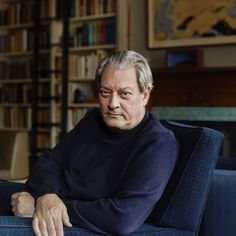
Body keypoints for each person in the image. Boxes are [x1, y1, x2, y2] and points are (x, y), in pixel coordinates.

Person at [10, 50, 179, 236]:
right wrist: (47, 196)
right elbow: (50, 160)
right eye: (105, 92)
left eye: (124, 94)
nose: (113, 104)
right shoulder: (93, 119)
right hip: (50, 199)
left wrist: (44, 208)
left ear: (145, 95)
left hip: (76, 225)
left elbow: (122, 218)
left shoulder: (158, 143)